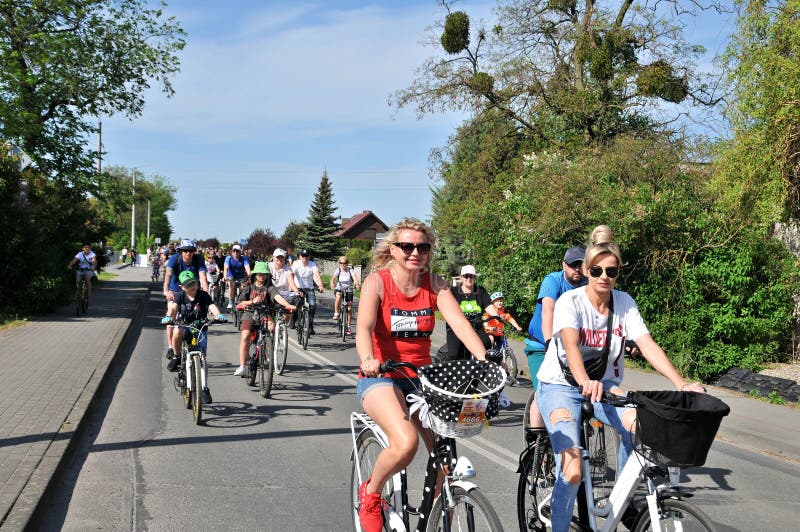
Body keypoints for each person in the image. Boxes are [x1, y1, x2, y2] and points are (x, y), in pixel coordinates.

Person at [535, 225, 706, 532]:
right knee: (572, 471)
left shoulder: (624, 302)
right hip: (561, 386)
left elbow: (647, 344)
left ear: (617, 274)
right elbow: (571, 345)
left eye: (611, 271)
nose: (604, 277)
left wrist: (680, 383)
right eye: (597, 270)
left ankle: (619, 502)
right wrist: (585, 380)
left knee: (641, 428)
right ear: (587, 270)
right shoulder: (569, 302)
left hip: (605, 386)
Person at [355, 218, 492, 532]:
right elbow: (363, 328)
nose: (415, 252)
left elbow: (460, 325)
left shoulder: (435, 283)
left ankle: (430, 517)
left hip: (421, 378)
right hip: (382, 376)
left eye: (422, 246)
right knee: (405, 444)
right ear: (393, 249)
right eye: (407, 246)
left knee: (446, 457)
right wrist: (369, 359)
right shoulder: (377, 282)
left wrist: (486, 360)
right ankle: (371, 493)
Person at [524, 246, 587, 427]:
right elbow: (548, 312)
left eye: (581, 265)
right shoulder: (553, 281)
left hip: (572, 346)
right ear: (564, 265)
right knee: (542, 393)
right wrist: (550, 343)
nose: (577, 269)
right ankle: (536, 439)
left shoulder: (588, 284)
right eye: (573, 265)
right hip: (542, 346)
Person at [161, 271, 226, 404]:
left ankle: (204, 387)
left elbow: (212, 306)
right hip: (184, 325)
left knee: (202, 359)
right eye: (187, 285)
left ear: (197, 283)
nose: (191, 286)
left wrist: (218, 315)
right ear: (182, 287)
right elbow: (173, 308)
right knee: (177, 332)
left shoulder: (203, 295)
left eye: (193, 283)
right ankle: (177, 356)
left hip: (200, 327)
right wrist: (169, 316)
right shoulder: (180, 296)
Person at [233, 261, 297, 377]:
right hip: (249, 313)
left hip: (264, 314)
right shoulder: (249, 287)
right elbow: (240, 302)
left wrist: (287, 305)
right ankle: (242, 366)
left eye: (264, 273)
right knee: (245, 335)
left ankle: (268, 348)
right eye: (259, 273)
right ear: (255, 274)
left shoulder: (270, 288)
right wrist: (252, 302)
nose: (261, 276)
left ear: (267, 275)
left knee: (271, 327)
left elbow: (277, 297)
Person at [162, 239, 208, 360]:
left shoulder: (198, 259)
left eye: (191, 250)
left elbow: (203, 278)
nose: (188, 253)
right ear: (181, 251)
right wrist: (166, 291)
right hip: (175, 290)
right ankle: (171, 347)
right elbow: (168, 276)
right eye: (185, 251)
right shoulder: (174, 259)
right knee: (172, 313)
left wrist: (206, 294)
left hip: (192, 290)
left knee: (196, 315)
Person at [442, 265, 494, 361]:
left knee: (486, 345)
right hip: (456, 328)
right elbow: (444, 306)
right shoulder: (453, 291)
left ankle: (479, 371)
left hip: (476, 326)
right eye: (466, 276)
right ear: (461, 277)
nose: (469, 279)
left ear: (475, 278)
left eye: (472, 276)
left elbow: (488, 305)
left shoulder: (481, 291)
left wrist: (497, 316)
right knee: (454, 355)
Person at [291, 249, 325, 335]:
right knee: (297, 304)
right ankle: (294, 318)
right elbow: (292, 274)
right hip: (298, 288)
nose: (304, 258)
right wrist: (291, 285)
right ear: (300, 257)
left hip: (309, 288)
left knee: (312, 305)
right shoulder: (296, 263)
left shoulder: (312, 264)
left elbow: (316, 276)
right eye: (303, 256)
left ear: (309, 257)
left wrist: (320, 285)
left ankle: (310, 325)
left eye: (306, 256)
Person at [269, 248, 301, 324]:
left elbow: (291, 282)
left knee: (287, 316)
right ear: (273, 257)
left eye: (282, 257)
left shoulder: (288, 269)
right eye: (277, 257)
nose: (279, 259)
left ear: (284, 258)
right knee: (269, 317)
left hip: (284, 294)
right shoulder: (268, 267)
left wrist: (297, 291)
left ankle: (282, 330)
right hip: (271, 294)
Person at [330, 256, 361, 335]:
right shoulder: (338, 270)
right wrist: (332, 283)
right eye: (341, 263)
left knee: (349, 308)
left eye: (345, 263)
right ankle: (336, 313)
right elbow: (333, 278)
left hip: (348, 289)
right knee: (338, 296)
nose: (343, 265)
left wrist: (357, 284)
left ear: (347, 263)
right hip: (339, 288)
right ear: (339, 264)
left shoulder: (350, 270)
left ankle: (349, 326)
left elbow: (355, 278)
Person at [223, 244, 251, 309]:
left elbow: (247, 268)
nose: (235, 252)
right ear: (232, 251)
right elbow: (226, 268)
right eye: (234, 251)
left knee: (243, 288)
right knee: (231, 286)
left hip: (241, 277)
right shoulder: (228, 258)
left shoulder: (244, 258)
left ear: (240, 252)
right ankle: (230, 301)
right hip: (231, 276)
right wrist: (225, 276)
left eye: (237, 251)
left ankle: (241, 301)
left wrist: (249, 275)